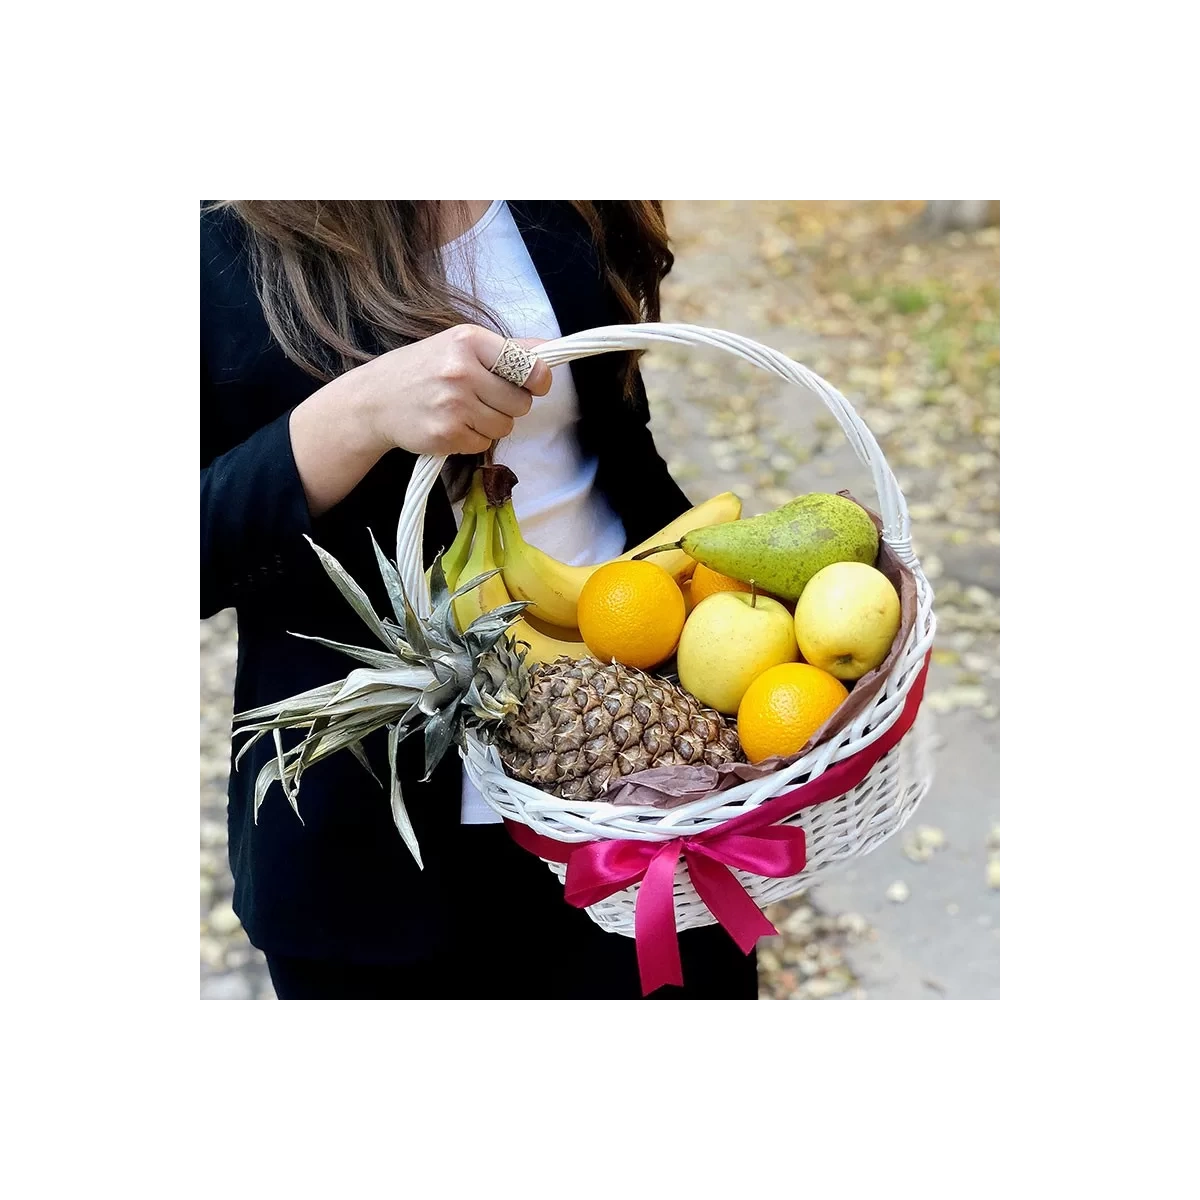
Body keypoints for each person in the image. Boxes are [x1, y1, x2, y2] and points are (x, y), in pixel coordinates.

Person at [201, 200, 760, 1000]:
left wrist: (748, 615)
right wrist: (355, 415)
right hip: (374, 843)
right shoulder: (210, 239)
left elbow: (607, 434)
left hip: (645, 767)